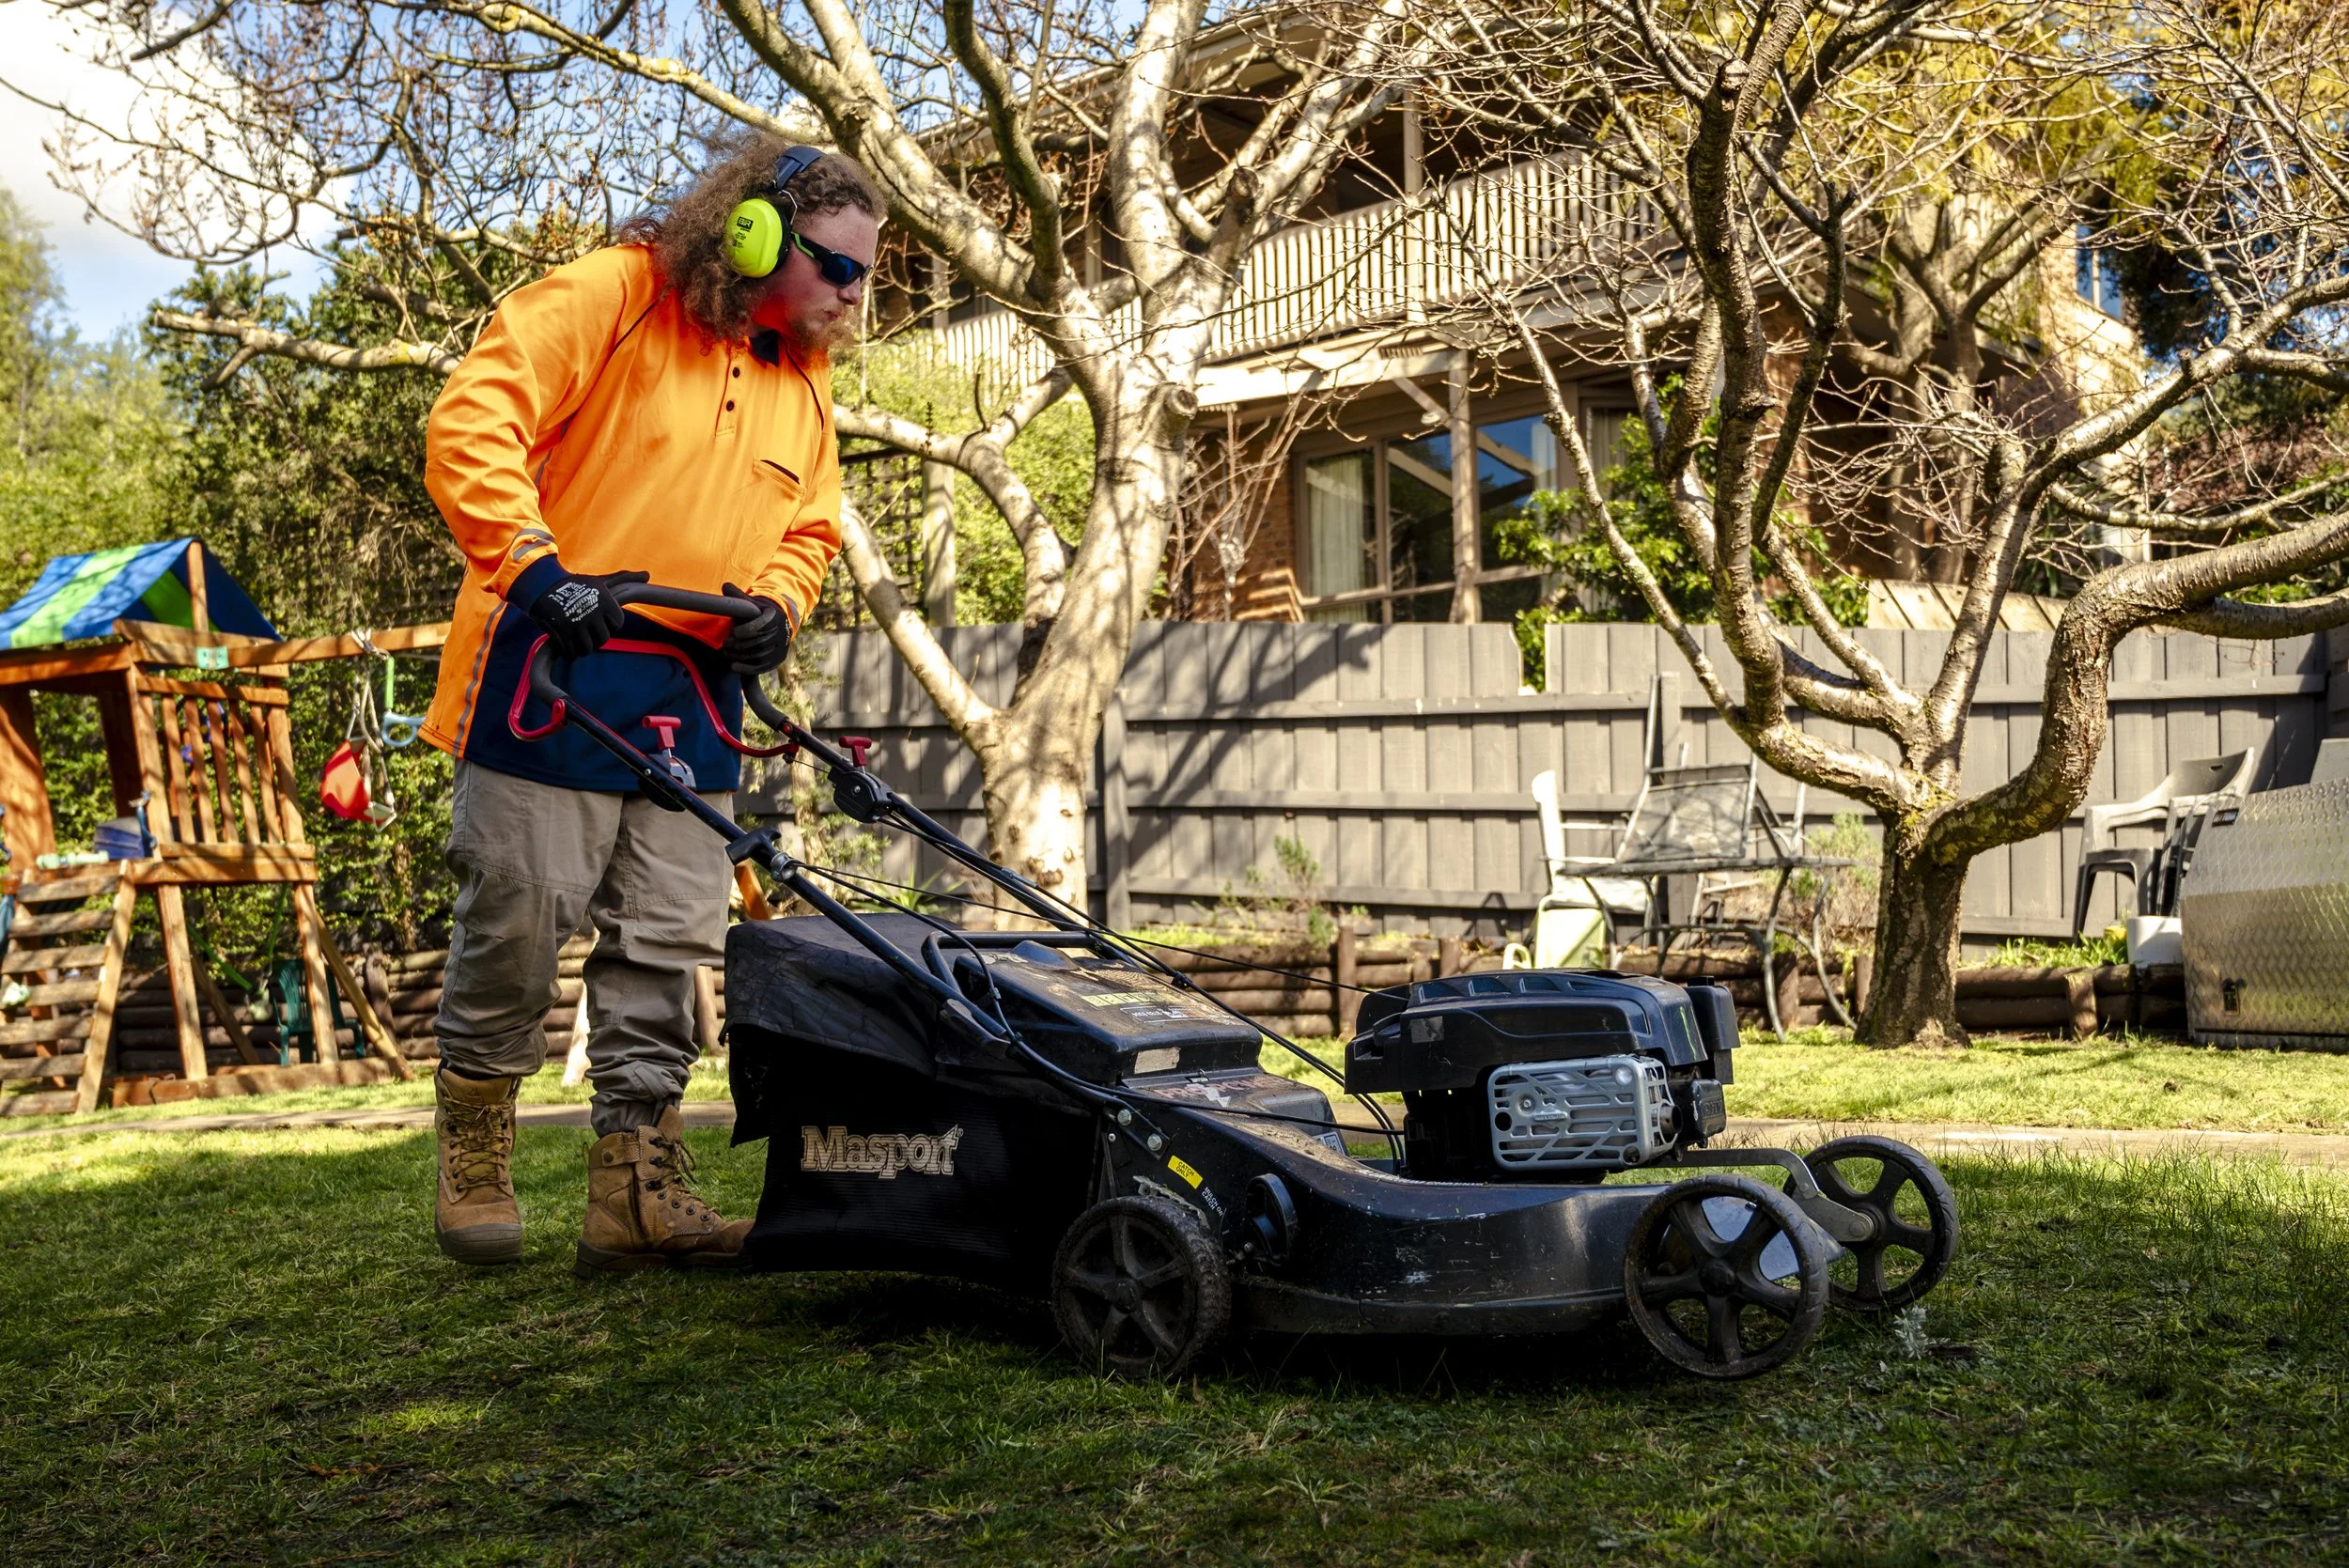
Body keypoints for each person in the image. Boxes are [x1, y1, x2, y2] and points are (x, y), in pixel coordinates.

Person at [414, 137, 880, 1272]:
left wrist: (776, 601)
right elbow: (471, 424)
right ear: (754, 233)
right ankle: (476, 1138)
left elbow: (807, 526)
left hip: (694, 687)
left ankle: (635, 1188)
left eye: (866, 275)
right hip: (556, 658)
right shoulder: (610, 296)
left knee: (669, 942)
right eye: (836, 267)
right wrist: (535, 568)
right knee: (523, 914)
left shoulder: (798, 376)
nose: (851, 297)